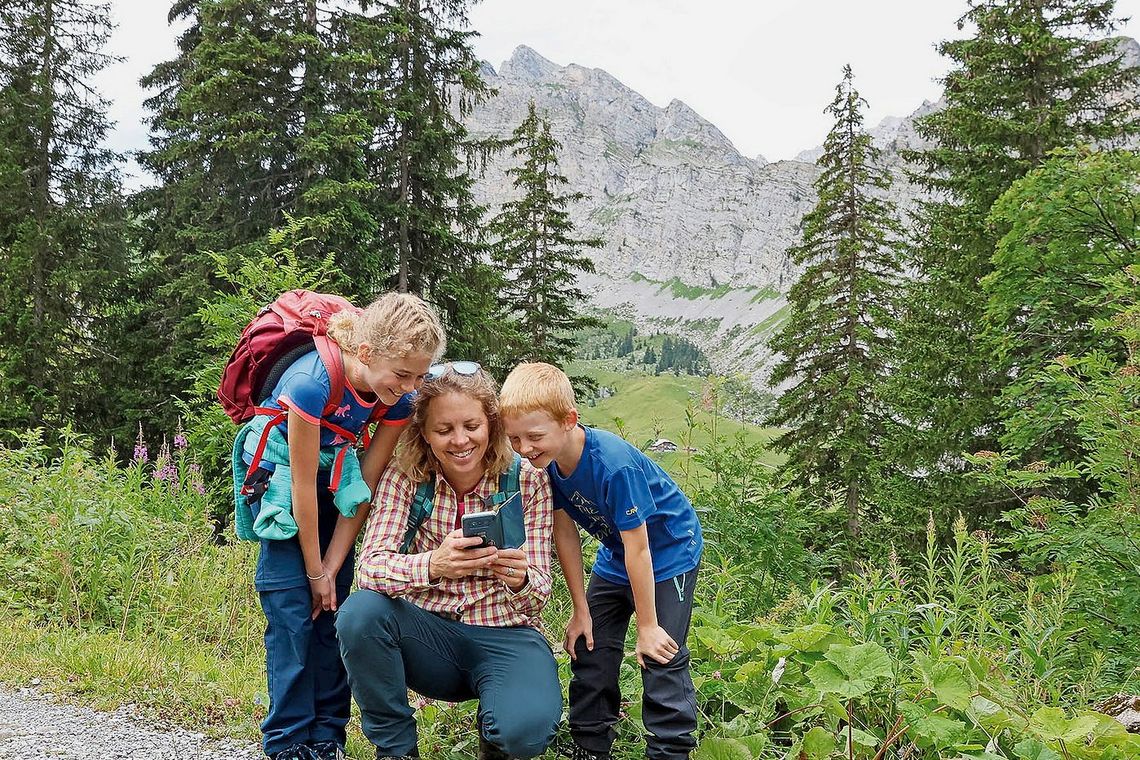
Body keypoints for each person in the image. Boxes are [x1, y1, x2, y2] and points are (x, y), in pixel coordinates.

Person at [234, 292, 445, 760]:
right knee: (292, 615)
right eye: (402, 373)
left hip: (338, 485)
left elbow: (365, 483)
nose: (410, 386)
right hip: (287, 487)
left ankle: (327, 737)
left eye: (418, 375)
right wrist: (314, 570)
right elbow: (302, 485)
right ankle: (287, 741)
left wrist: (332, 565)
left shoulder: (398, 399)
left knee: (334, 615)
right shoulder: (312, 382)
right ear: (367, 354)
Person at [336, 361, 561, 760]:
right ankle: (397, 751)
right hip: (429, 637)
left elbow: (540, 593)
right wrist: (432, 565)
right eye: (444, 430)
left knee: (523, 734)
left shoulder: (526, 479)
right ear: (424, 432)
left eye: (471, 426)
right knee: (361, 613)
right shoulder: (406, 476)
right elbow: (370, 568)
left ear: (490, 424)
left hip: (506, 632)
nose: (460, 441)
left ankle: (499, 731)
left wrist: (520, 579)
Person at [499, 362, 704, 760]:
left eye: (534, 436)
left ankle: (669, 749)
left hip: (667, 553)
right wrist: (580, 609)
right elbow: (565, 533)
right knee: (588, 643)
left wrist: (646, 625)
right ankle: (590, 746)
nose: (525, 448)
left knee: (659, 650)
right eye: (515, 438)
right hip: (617, 554)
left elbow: (641, 548)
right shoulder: (547, 466)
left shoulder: (613, 464)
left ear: (569, 420)